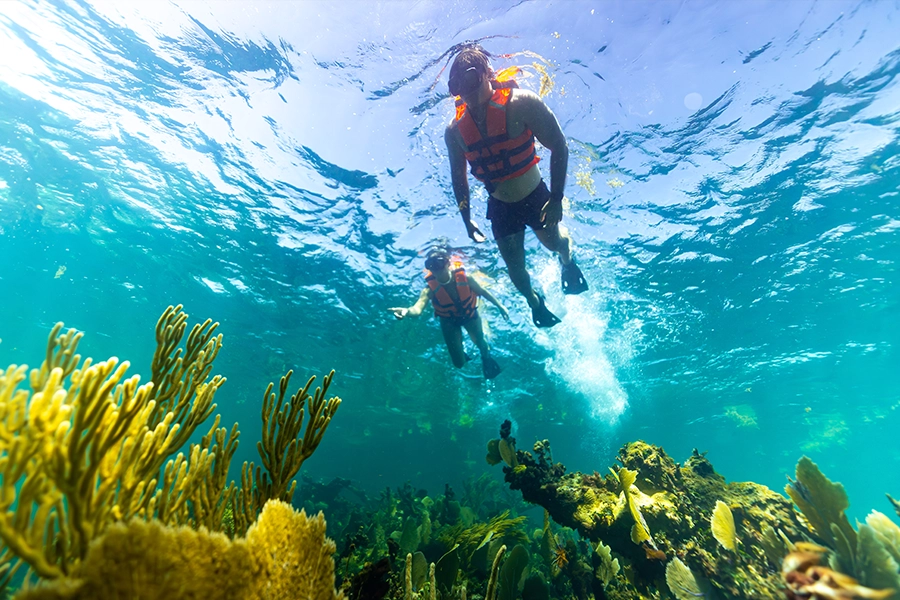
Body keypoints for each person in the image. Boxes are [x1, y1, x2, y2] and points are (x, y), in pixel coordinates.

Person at [444, 45, 588, 329]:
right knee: (515, 270)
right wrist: (466, 219)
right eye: (457, 86)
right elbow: (458, 179)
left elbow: (558, 144)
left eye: (471, 80)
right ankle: (536, 302)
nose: (466, 91)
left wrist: (557, 198)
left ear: (487, 74)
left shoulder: (522, 104)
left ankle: (567, 260)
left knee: (554, 243)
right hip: (500, 207)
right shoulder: (455, 132)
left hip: (537, 197)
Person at [389, 249, 508, 379]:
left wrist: (500, 306)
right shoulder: (429, 289)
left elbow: (482, 291)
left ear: (447, 263)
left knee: (480, 342)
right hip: (448, 321)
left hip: (469, 316)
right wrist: (406, 312)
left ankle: (486, 360)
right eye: (431, 265)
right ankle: (462, 352)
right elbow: (417, 309)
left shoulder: (466, 278)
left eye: (439, 263)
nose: (437, 269)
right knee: (458, 363)